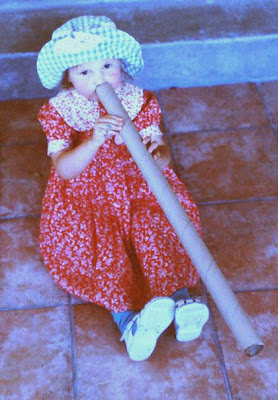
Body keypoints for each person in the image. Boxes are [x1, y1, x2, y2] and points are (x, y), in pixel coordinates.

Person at [36, 15, 209, 361]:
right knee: (107, 248)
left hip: (137, 187)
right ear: (68, 78)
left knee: (154, 228)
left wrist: (158, 156)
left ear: (122, 66)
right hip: (88, 198)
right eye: (85, 72)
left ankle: (178, 300)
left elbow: (159, 151)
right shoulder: (62, 111)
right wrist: (94, 140)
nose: (100, 79)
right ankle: (131, 324)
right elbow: (65, 169)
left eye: (107, 66)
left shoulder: (137, 100)